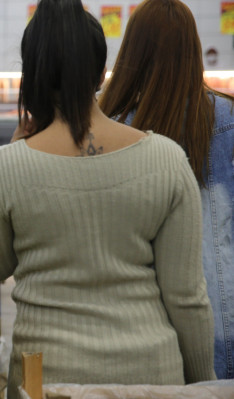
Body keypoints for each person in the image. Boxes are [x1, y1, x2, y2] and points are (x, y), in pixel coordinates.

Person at [0, 1, 216, 397]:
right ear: (101, 74)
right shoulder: (167, 159)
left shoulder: (3, 168)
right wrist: (203, 384)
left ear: (30, 75)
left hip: (45, 379)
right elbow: (187, 298)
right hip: (153, 375)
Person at [99, 0, 234, 380]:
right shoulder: (226, 121)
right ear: (192, 51)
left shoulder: (106, 126)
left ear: (131, 53)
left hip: (132, 335)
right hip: (220, 325)